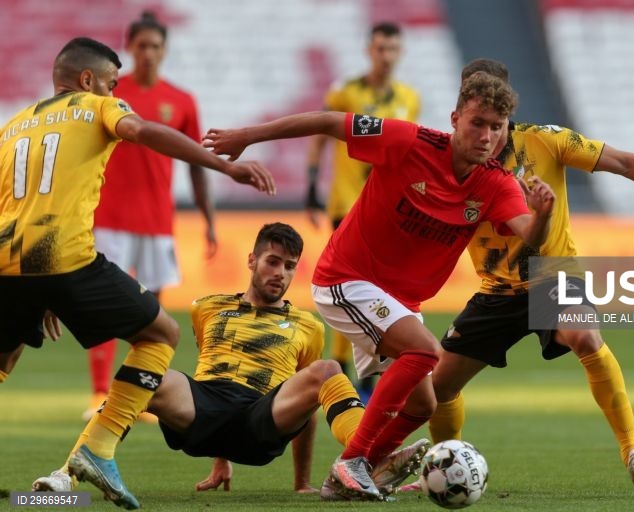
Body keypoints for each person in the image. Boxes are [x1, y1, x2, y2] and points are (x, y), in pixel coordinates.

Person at [203, 70, 556, 500]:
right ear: (455, 118)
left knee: (423, 404)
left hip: (396, 302)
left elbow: (529, 234)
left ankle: (351, 477)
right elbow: (327, 120)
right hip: (345, 280)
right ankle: (353, 460)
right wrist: (245, 136)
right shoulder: (408, 141)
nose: (486, 136)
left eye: (496, 128)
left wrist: (543, 215)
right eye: (477, 123)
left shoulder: (496, 183)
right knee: (425, 350)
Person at [425, 58, 634, 490]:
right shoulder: (443, 160)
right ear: (460, 107)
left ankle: (633, 451)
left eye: (499, 111)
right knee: (438, 388)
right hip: (496, 288)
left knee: (585, 334)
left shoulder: (545, 140)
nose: (490, 127)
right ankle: (442, 467)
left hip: (551, 275)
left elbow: (624, 162)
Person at [0, 37, 274, 509]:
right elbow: (145, 132)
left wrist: (36, 287)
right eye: (110, 82)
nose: (113, 90)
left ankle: (61, 484)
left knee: (3, 361)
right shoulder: (97, 106)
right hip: (65, 254)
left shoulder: (15, 125)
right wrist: (224, 168)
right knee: (159, 333)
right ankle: (97, 449)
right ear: (87, 81)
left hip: (8, 261)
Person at [32, 223, 429, 500]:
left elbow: (305, 408)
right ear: (252, 259)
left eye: (290, 267)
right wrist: (221, 461)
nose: (281, 273)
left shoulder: (308, 326)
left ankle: (366, 457)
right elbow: (215, 372)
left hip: (260, 417)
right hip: (203, 412)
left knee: (327, 370)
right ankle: (61, 482)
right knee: (152, 372)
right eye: (273, 261)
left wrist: (301, 482)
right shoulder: (207, 308)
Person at [83, 11, 217, 423]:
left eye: (155, 45)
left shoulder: (181, 101)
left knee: (152, 312)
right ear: (130, 48)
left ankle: (138, 392)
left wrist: (208, 219)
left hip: (158, 220)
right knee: (106, 307)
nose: (148, 53)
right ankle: (99, 393)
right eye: (141, 45)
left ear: (164, 50)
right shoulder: (109, 101)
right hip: (110, 217)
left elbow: (195, 162)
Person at [305, 21, 420, 399]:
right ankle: (347, 372)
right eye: (379, 49)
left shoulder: (409, 97)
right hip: (348, 203)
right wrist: (310, 180)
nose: (385, 56)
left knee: (379, 288)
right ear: (369, 51)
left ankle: (364, 373)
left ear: (399, 53)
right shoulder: (345, 92)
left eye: (392, 49)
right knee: (347, 285)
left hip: (387, 209)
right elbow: (323, 134)